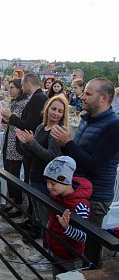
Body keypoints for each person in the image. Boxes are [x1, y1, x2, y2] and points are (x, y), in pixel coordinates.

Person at [50, 77, 119, 268]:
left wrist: (68, 143)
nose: (82, 97)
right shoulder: (86, 120)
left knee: (88, 249)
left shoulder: (114, 126)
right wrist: (64, 145)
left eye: (88, 93)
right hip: (78, 190)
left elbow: (95, 165)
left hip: (95, 196)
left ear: (104, 98)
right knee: (71, 240)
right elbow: (78, 156)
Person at [16, 95, 69, 271]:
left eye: (60, 111)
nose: (56, 113)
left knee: (48, 221)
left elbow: (51, 157)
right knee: (40, 218)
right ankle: (44, 251)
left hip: (46, 182)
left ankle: (49, 256)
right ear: (47, 109)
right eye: (53, 109)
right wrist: (25, 142)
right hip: (35, 177)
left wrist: (31, 143)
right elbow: (32, 153)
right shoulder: (41, 127)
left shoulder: (57, 132)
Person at [42, 156, 92, 278]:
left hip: (70, 256)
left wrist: (67, 228)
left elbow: (82, 237)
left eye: (53, 183)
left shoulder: (80, 206)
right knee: (57, 274)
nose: (49, 186)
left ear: (66, 181)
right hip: (57, 247)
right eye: (47, 182)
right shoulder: (57, 196)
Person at [1, 79, 28, 215]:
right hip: (8, 139)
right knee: (8, 172)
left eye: (12, 87)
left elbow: (22, 122)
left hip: (16, 141)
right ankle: (10, 200)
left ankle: (17, 204)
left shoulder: (24, 104)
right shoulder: (13, 102)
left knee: (14, 173)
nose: (9, 89)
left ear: (19, 89)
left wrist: (10, 117)